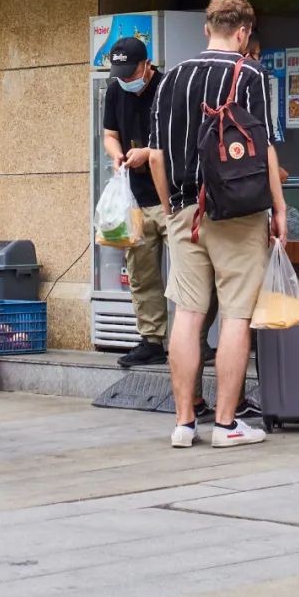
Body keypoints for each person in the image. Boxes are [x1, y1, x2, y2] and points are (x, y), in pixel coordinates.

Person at [149, 0, 286, 451]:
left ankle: (184, 423)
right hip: (238, 212)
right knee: (235, 315)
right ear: (244, 32)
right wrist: (279, 208)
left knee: (187, 315)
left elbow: (155, 154)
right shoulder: (249, 73)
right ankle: (227, 424)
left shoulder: (170, 80)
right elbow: (263, 148)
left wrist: (170, 208)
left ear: (207, 29)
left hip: (185, 210)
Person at [102, 36, 168, 369]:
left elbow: (184, 138)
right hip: (136, 198)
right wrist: (117, 156)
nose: (126, 79)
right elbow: (110, 134)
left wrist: (151, 155)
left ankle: (198, 340)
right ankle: (152, 340)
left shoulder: (168, 87)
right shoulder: (115, 90)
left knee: (190, 271)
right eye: (121, 73)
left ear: (147, 65)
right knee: (141, 273)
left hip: (173, 196)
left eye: (131, 72)